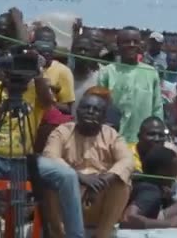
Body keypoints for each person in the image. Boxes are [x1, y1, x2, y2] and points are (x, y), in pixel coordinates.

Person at [0, 47, 86, 238]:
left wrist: (38, 70)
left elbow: (48, 103)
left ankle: (76, 235)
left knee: (67, 175)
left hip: (25, 161)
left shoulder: (37, 92)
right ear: (4, 71)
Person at [43, 89, 135, 238]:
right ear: (77, 111)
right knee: (51, 180)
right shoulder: (62, 131)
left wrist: (104, 180)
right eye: (86, 108)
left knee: (122, 183)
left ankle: (101, 235)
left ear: (104, 117)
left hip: (99, 196)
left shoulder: (111, 135)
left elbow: (127, 160)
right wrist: (78, 178)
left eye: (96, 110)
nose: (90, 112)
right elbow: (50, 157)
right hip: (68, 196)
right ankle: (59, 234)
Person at [96, 26, 164, 145]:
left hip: (143, 143)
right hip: (113, 141)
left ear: (140, 45)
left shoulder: (151, 72)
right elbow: (100, 106)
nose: (131, 45)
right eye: (126, 42)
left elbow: (157, 108)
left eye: (135, 42)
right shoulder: (107, 72)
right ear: (118, 45)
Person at [122, 145, 177, 230]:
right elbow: (128, 218)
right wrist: (169, 223)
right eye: (175, 168)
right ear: (162, 171)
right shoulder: (151, 191)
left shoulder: (146, 184)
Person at [33, 26, 77, 114]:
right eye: (41, 42)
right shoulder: (25, 66)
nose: (45, 47)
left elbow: (68, 109)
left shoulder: (63, 71)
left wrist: (47, 98)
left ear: (54, 45)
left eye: (48, 43)